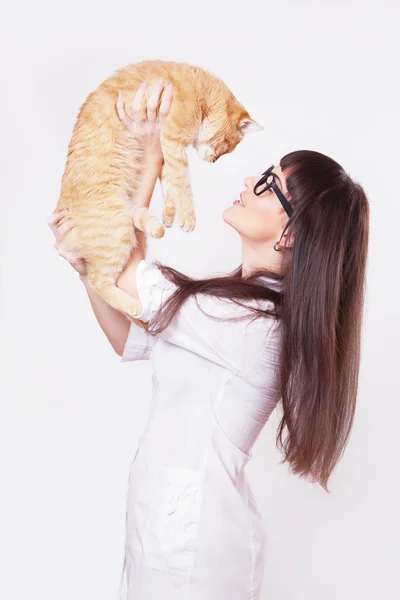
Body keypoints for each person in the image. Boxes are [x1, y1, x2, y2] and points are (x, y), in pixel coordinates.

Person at [48, 79, 370, 600]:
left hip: (195, 545)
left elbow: (138, 285)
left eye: (269, 184)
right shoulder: (234, 302)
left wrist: (150, 154)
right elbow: (131, 340)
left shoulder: (253, 323)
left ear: (289, 234)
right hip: (169, 529)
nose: (249, 179)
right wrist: (85, 266)